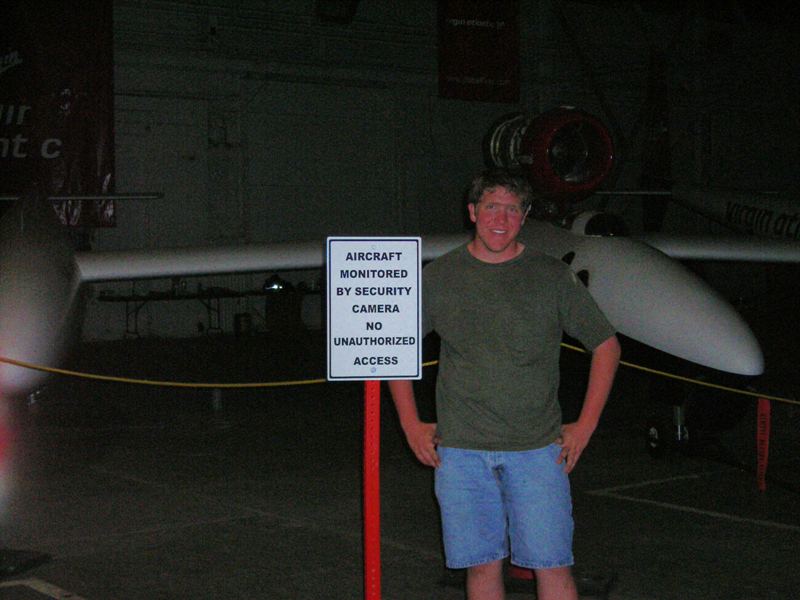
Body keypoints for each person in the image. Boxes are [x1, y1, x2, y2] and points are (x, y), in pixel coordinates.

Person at [389, 168, 620, 600]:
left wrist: (585, 425)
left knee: (552, 566)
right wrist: (410, 424)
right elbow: (396, 349)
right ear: (472, 211)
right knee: (481, 568)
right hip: (461, 451)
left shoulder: (551, 276)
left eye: (513, 209)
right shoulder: (439, 276)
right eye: (491, 206)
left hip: (537, 450)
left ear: (525, 216)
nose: (501, 219)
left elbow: (606, 346)